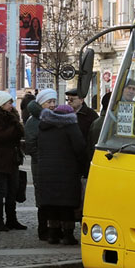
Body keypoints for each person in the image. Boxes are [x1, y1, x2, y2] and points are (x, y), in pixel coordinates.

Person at [36, 102, 87, 245]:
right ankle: (68, 235)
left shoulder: (44, 127)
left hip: (46, 171)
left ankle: (52, 234)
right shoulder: (71, 126)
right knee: (67, 204)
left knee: (51, 203)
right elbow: (80, 147)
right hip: (67, 171)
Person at [0, 90, 27, 232]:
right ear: (1, 104)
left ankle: (12, 219)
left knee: (13, 189)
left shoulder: (12, 116)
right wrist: (14, 127)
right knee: (0, 190)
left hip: (13, 157)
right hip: (0, 158)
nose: (11, 105)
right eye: (8, 103)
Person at [25, 88, 57, 241]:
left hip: (51, 164)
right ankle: (43, 229)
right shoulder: (34, 121)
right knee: (42, 197)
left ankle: (52, 228)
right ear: (41, 103)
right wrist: (44, 158)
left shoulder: (51, 117)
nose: (52, 105)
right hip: (40, 164)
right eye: (49, 102)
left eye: (54, 101)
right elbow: (30, 145)